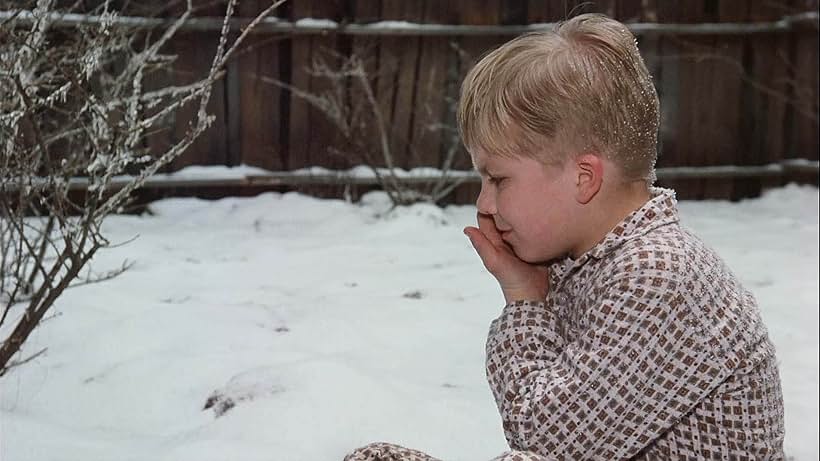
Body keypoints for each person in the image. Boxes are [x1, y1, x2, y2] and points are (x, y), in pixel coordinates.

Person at [345, 13, 785, 461]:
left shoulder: (657, 274)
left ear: (583, 178)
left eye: (498, 179)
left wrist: (525, 302)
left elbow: (547, 441)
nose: (484, 204)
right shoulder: (588, 257)